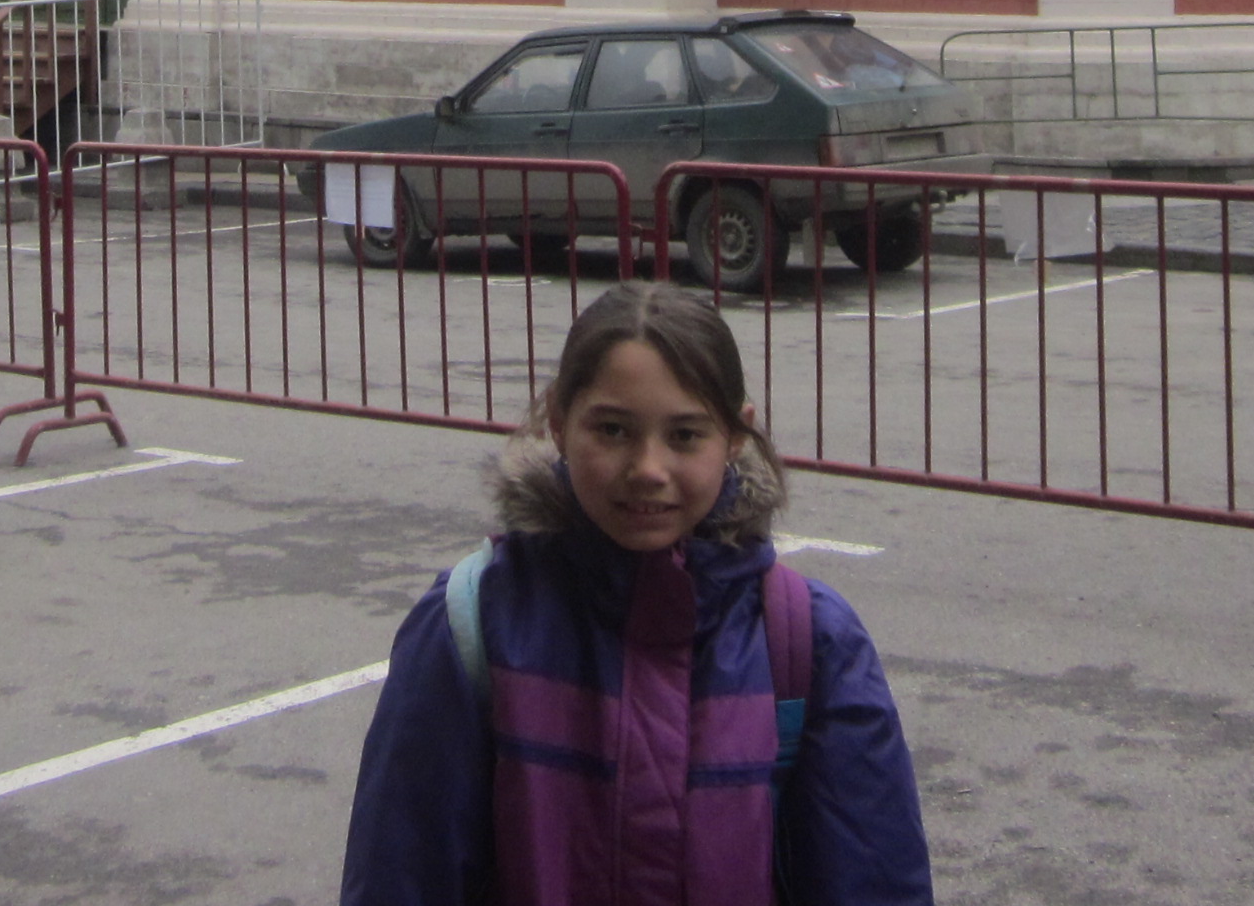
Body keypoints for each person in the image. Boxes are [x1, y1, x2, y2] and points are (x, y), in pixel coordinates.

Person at [341, 281, 932, 906]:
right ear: (559, 422)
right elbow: (400, 873)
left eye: (685, 436)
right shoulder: (474, 626)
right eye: (614, 430)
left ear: (737, 434)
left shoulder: (810, 642)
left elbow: (874, 880)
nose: (648, 469)